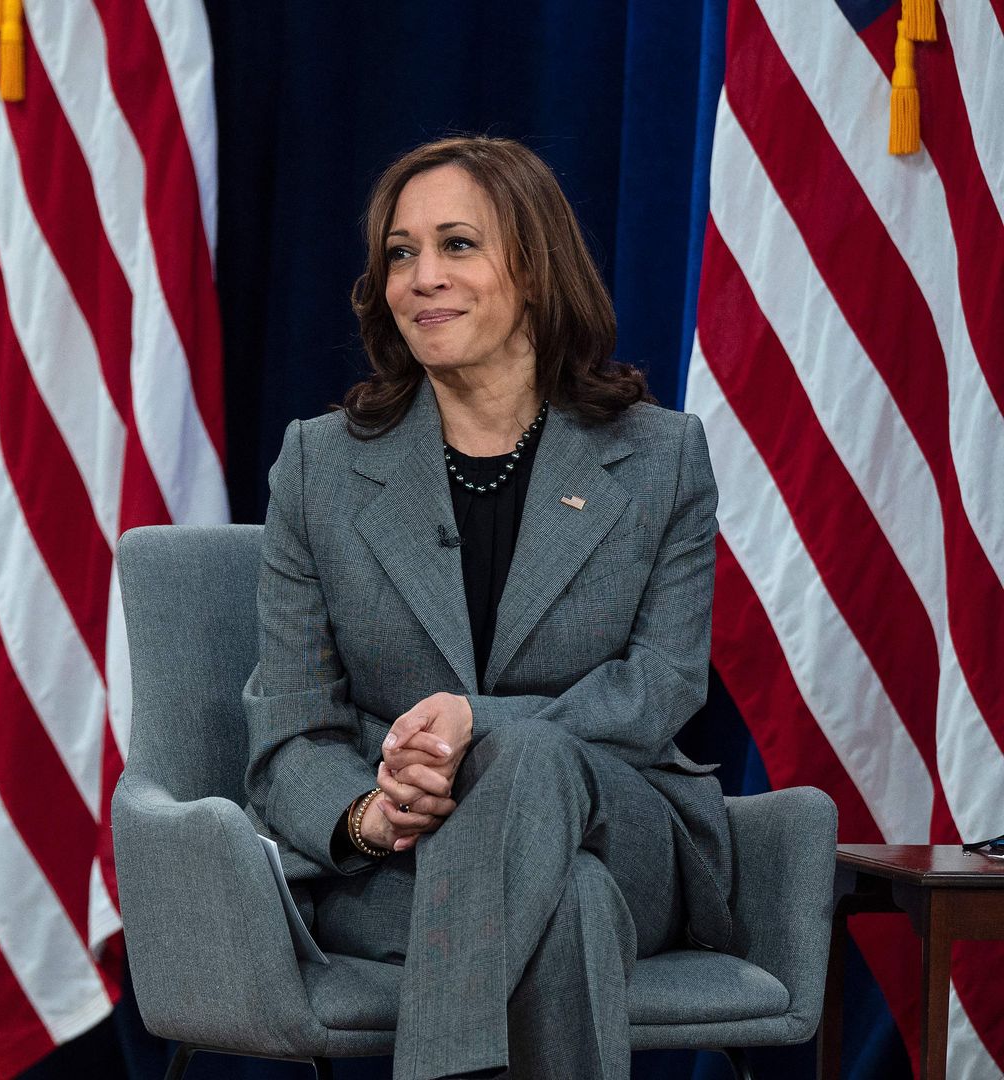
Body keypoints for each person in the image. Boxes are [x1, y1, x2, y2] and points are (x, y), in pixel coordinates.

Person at [243, 135, 731, 1080]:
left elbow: (660, 688)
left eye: (458, 244)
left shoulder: (661, 457)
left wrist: (478, 726)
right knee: (572, 907)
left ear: (536, 269)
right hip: (403, 860)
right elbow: (290, 726)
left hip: (623, 824)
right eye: (400, 252)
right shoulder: (321, 467)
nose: (423, 277)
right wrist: (368, 818)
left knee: (535, 755)